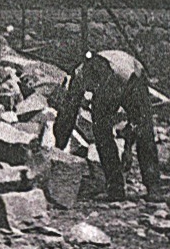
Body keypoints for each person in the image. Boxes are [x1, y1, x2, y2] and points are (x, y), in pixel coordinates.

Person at [53, 49, 163, 202]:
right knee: (111, 131)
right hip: (122, 81)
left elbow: (138, 122)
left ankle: (139, 186)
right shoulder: (83, 74)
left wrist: (128, 148)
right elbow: (68, 113)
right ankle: (131, 188)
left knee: (133, 131)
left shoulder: (98, 75)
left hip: (130, 80)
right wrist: (57, 150)